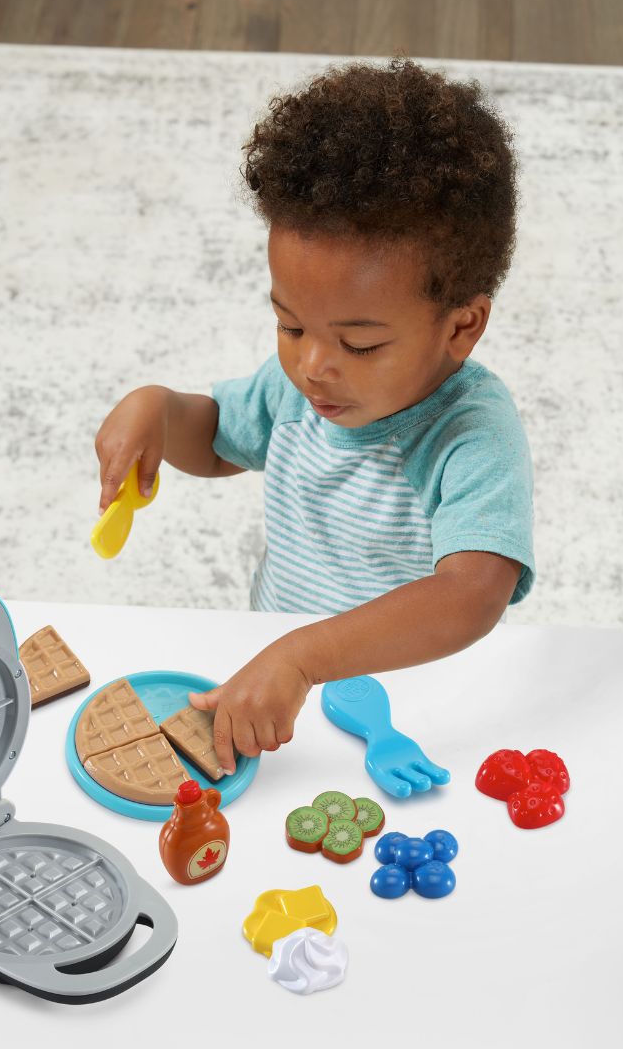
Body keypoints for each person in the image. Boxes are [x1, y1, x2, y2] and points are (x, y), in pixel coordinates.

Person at [94, 58, 534, 774]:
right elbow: (220, 441)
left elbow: (471, 595)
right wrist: (160, 411)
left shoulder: (472, 435)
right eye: (291, 326)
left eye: (360, 344)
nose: (313, 366)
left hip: (410, 705)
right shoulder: (298, 388)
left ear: (462, 327)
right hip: (277, 684)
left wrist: (304, 658)